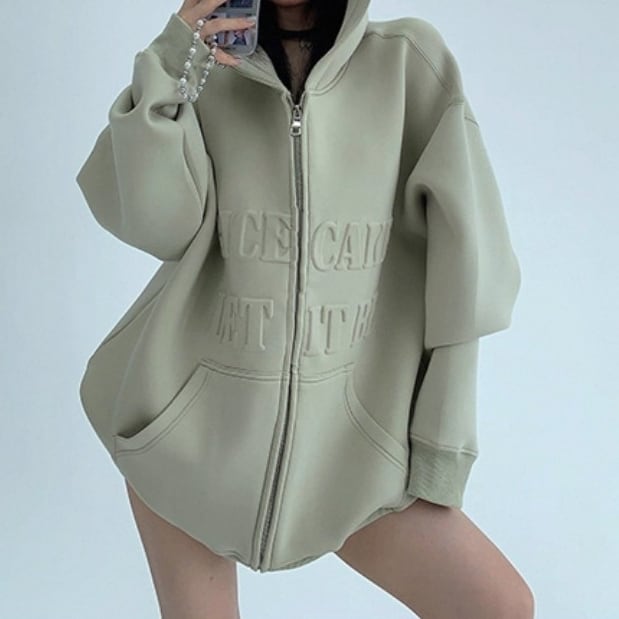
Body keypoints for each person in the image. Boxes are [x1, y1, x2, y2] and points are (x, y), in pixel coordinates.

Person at [75, 0, 534, 617]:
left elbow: (469, 274)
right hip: (186, 443)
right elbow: (159, 225)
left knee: (499, 607)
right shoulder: (205, 67)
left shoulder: (407, 65)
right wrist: (171, 60)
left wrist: (440, 448)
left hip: (350, 456)